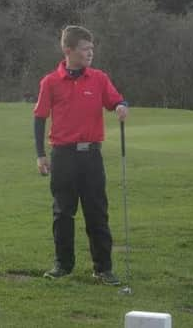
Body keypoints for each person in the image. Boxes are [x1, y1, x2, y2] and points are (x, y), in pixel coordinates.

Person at [33, 25, 128, 285]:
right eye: (85, 49)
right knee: (63, 213)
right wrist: (41, 155)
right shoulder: (50, 82)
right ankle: (63, 265)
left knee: (97, 212)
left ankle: (103, 268)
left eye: (92, 48)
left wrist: (121, 106)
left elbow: (115, 101)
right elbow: (40, 118)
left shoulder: (99, 78)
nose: (90, 53)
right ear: (68, 50)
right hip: (63, 156)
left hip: (91, 157)